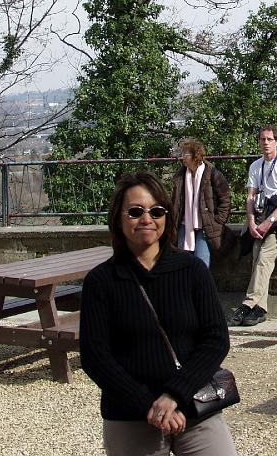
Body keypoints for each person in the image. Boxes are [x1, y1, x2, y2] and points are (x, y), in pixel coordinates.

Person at [80, 171, 238, 456]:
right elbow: (96, 357)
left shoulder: (192, 271)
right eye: (135, 211)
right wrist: (149, 405)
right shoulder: (101, 282)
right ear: (118, 218)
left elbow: (215, 339)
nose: (146, 219)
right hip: (131, 414)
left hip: (194, 405)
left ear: (167, 216)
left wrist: (173, 395)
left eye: (156, 211)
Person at [228, 125, 277, 327]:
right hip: (260, 216)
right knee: (257, 260)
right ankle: (261, 309)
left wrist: (269, 222)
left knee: (264, 259)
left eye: (269, 139)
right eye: (263, 139)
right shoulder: (255, 166)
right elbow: (251, 196)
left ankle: (248, 303)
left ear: (276, 141)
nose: (266, 143)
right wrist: (251, 221)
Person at [171, 139, 232, 268]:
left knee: (202, 262)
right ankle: (185, 288)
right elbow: (175, 202)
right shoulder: (180, 176)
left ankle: (202, 288)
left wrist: (218, 220)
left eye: (185, 155)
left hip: (205, 226)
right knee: (182, 262)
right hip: (184, 225)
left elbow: (225, 198)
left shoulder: (212, 174)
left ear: (195, 156)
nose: (182, 158)